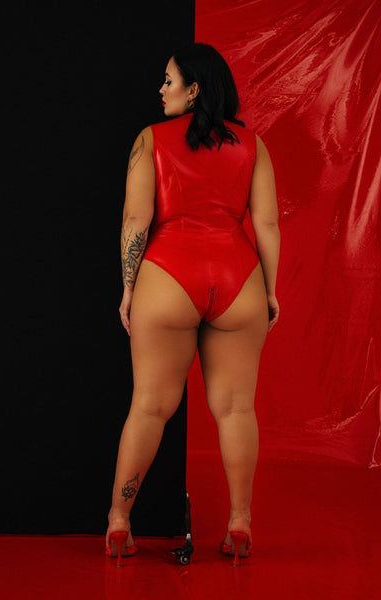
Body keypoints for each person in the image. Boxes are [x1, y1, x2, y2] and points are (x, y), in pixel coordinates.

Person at [105, 42, 280, 566]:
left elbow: (135, 221)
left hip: (168, 276)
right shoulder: (253, 145)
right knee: (236, 408)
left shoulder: (149, 140)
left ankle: (119, 521)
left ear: (194, 88)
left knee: (149, 406)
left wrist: (129, 288)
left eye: (169, 81)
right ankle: (240, 521)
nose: (161, 90)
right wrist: (270, 291)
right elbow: (267, 224)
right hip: (238, 276)